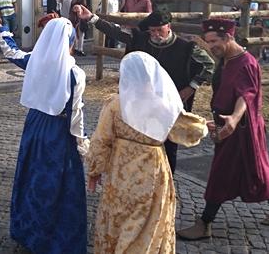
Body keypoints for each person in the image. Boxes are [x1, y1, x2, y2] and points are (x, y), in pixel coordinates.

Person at [178, 19, 269, 241]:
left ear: (229, 38)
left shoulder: (245, 63)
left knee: (221, 172)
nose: (210, 46)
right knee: (255, 171)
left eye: (214, 42)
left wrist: (233, 119)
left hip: (241, 129)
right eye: (207, 42)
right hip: (226, 124)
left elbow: (246, 95)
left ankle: (205, 223)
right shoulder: (226, 58)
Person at [86, 52, 208, 253]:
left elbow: (101, 141)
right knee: (148, 220)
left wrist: (94, 171)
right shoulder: (164, 106)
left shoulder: (115, 104)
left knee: (119, 214)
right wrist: (205, 125)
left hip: (120, 170)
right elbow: (191, 131)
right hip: (152, 170)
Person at [75, 5, 214, 173]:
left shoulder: (186, 47)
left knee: (169, 147)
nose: (155, 34)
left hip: (169, 106)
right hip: (142, 105)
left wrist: (190, 88)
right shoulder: (141, 39)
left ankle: (167, 183)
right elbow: (117, 32)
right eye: (152, 31)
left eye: (159, 30)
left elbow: (209, 66)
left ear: (168, 26)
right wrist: (92, 18)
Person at [0, 16, 89, 254]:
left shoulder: (34, 61)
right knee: (58, 184)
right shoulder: (75, 74)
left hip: (35, 125)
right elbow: (76, 115)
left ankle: (29, 231)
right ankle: (56, 237)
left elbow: (11, 51)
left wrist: (3, 29)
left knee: (32, 177)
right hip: (59, 132)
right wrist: (82, 143)